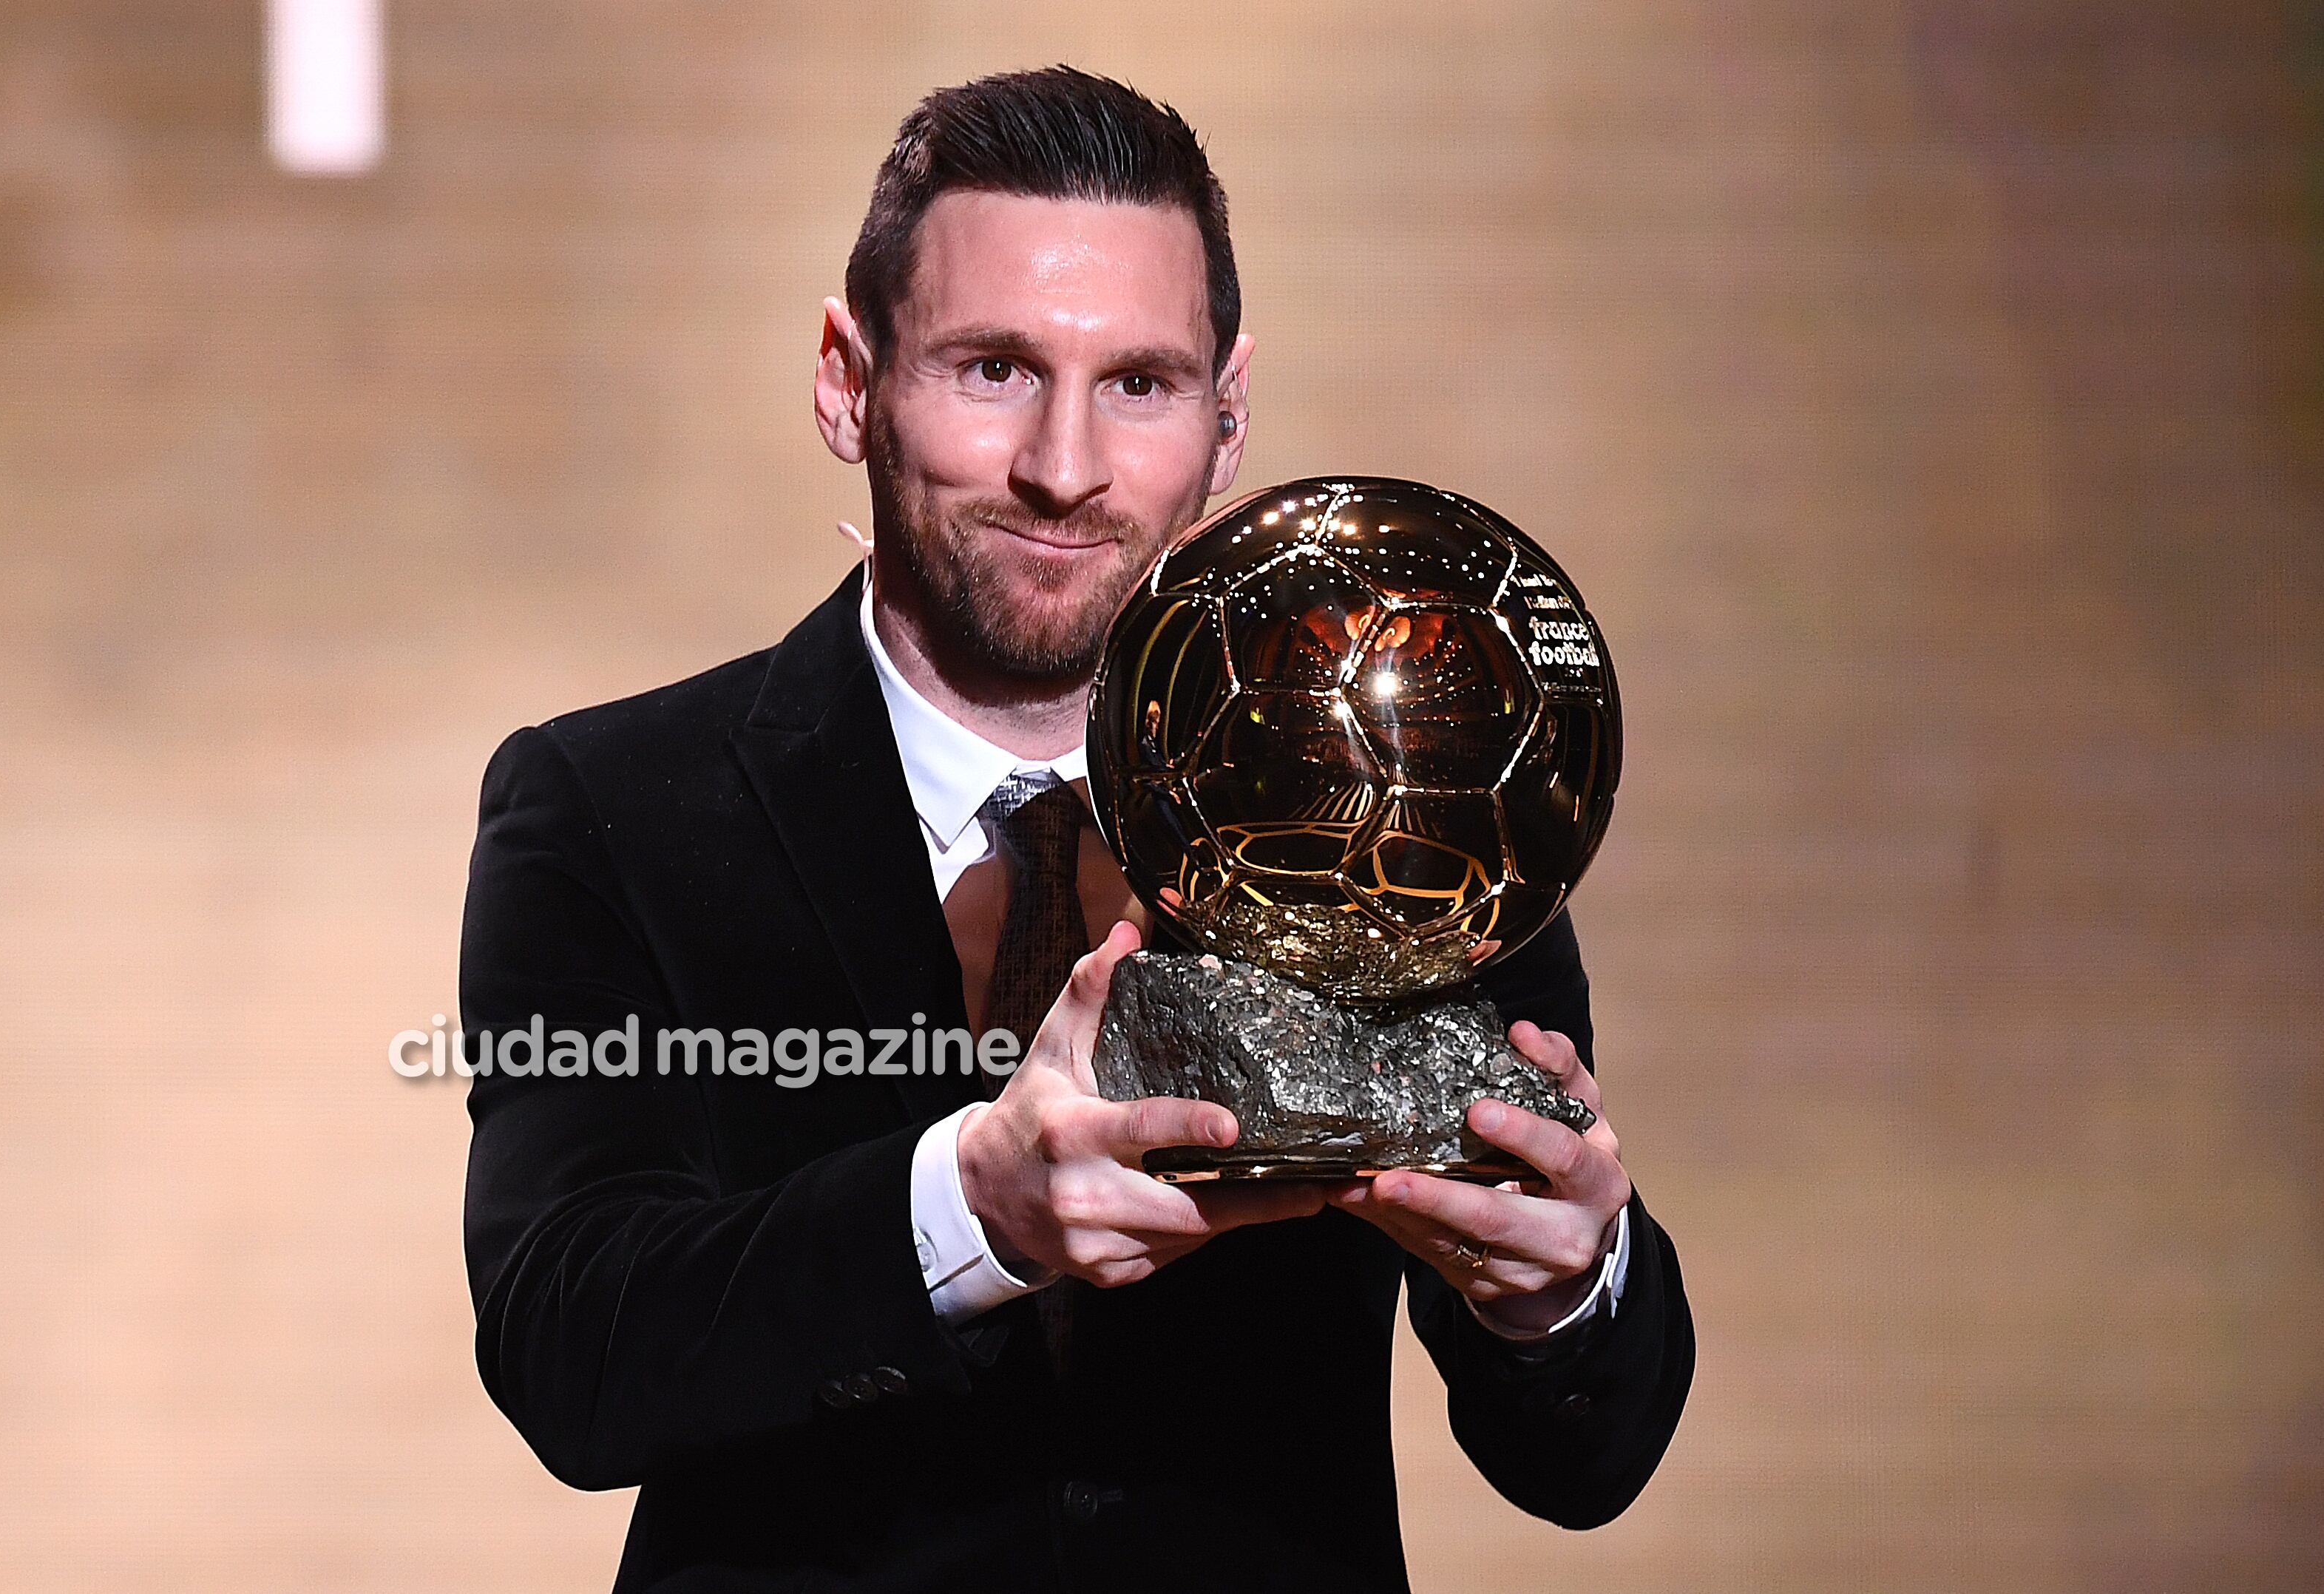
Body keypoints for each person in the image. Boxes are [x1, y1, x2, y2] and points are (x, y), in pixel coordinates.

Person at [460, 65, 1693, 1593]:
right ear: (851, 379)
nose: (1065, 466)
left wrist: (1569, 1290)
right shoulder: (606, 805)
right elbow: (572, 1345)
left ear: (1228, 417)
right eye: (993, 369)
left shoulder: (1414, 807)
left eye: (1140, 384)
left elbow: (1587, 1460)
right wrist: (973, 1203)